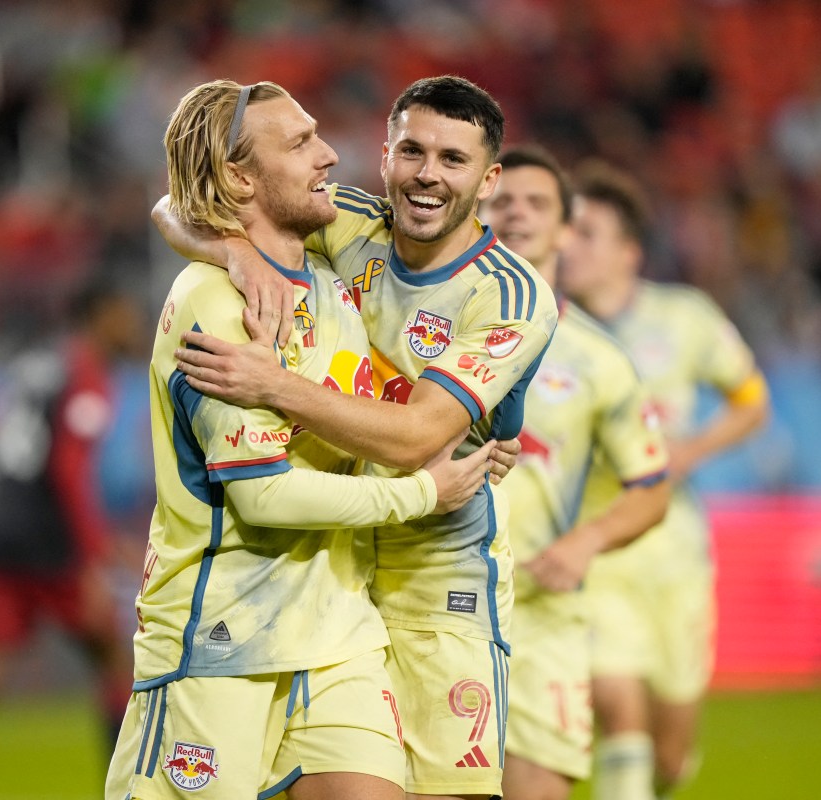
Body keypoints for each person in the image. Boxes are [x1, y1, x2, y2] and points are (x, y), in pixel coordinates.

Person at [158, 76, 560, 800]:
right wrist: (234, 255)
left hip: (434, 574)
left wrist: (274, 386)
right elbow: (178, 202)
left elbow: (416, 438)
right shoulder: (346, 220)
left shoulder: (512, 294)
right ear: (385, 156)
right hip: (328, 570)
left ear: (489, 178)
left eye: (453, 159)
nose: (427, 174)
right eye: (412, 150)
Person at [559, 161, 770, 800]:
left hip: (675, 552)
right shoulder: (546, 327)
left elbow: (752, 400)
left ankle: (665, 772)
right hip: (594, 543)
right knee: (617, 703)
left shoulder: (686, 318)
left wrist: (694, 448)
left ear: (629, 252)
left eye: (588, 233)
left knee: (669, 748)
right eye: (566, 230)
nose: (569, 244)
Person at [481, 146, 672, 800]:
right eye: (502, 200)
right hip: (418, 598)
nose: (517, 213)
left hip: (537, 612)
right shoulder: (418, 323)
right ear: (476, 212)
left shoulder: (596, 357)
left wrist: (584, 542)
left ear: (567, 229)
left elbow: (652, 486)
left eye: (538, 203)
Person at [0, 279, 146, 800]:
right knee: (114, 663)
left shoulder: (37, 363)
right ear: (99, 315)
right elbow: (66, 470)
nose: (132, 326)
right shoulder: (89, 377)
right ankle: (121, 791)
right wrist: (94, 557)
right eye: (124, 314)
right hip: (49, 543)